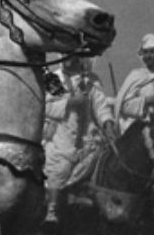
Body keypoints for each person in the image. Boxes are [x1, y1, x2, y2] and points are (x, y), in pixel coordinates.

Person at [43, 55, 116, 223]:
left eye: (75, 56)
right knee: (60, 167)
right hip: (61, 135)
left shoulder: (91, 80)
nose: (71, 60)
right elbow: (46, 107)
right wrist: (70, 102)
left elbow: (101, 106)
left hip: (88, 137)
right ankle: (52, 209)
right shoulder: (54, 79)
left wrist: (108, 123)